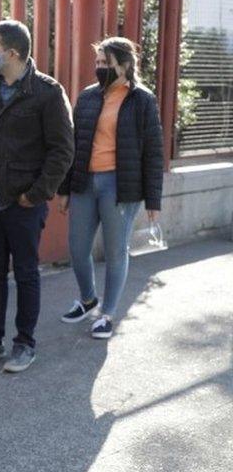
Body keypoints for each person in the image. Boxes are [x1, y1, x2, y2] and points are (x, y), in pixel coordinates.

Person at [0, 20, 74, 373]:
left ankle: (24, 342)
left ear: (12, 53)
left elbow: (62, 150)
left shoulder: (47, 92)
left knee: (26, 272)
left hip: (24, 201)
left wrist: (36, 194)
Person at [57, 37, 164, 339]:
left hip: (121, 185)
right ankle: (88, 298)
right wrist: (65, 189)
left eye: (107, 63)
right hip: (85, 183)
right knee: (78, 249)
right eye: (99, 63)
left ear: (125, 65)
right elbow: (74, 147)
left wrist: (154, 201)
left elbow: (154, 152)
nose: (100, 68)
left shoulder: (142, 100)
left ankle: (107, 313)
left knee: (116, 251)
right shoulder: (89, 97)